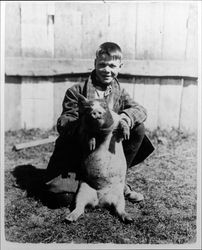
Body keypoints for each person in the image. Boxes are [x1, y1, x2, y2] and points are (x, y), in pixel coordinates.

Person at [46, 42, 154, 202]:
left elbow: (140, 109)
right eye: (102, 64)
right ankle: (81, 179)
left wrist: (124, 118)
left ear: (120, 66)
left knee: (138, 128)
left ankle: (118, 181)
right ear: (95, 64)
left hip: (105, 153)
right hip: (78, 151)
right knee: (64, 198)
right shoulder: (76, 92)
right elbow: (64, 122)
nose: (107, 70)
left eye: (112, 65)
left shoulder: (119, 93)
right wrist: (87, 128)